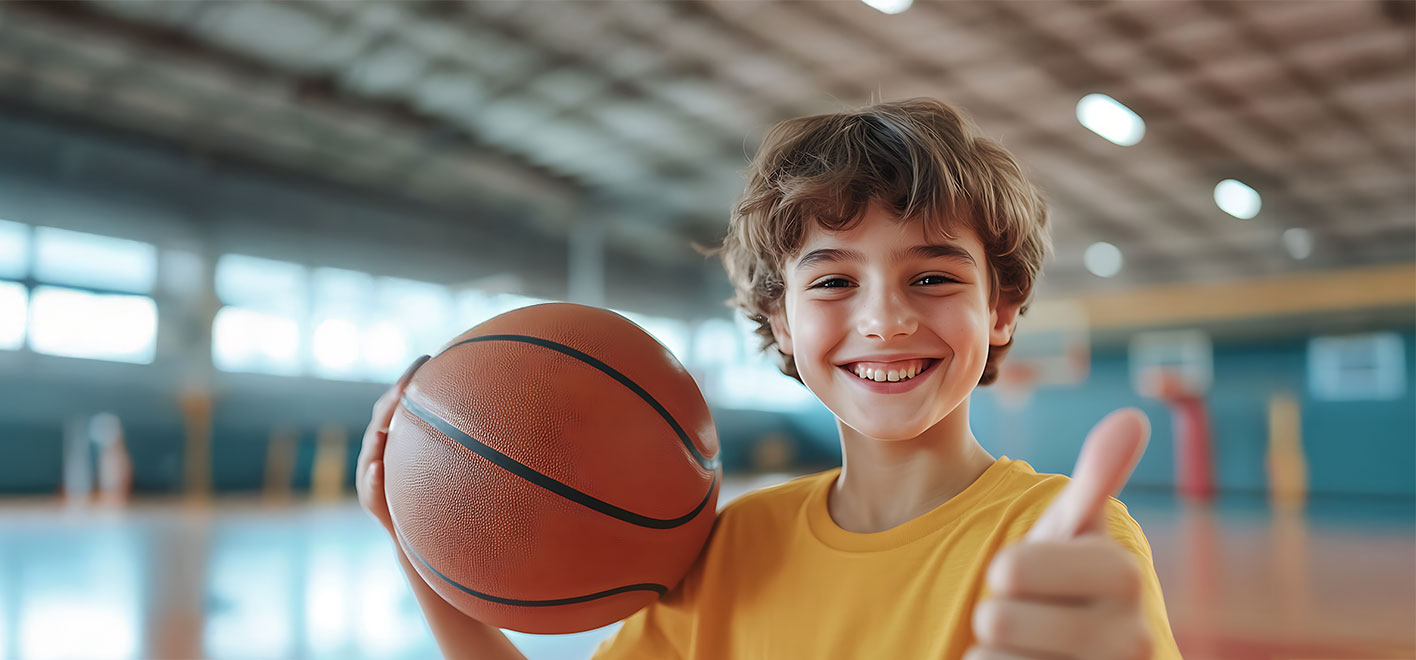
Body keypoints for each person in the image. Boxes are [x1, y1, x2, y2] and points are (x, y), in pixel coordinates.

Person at [356, 98, 1183, 659]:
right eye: (832, 281)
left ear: (1002, 309)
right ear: (780, 319)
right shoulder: (723, 552)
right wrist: (420, 542)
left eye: (933, 277)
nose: (885, 320)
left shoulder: (1062, 541)